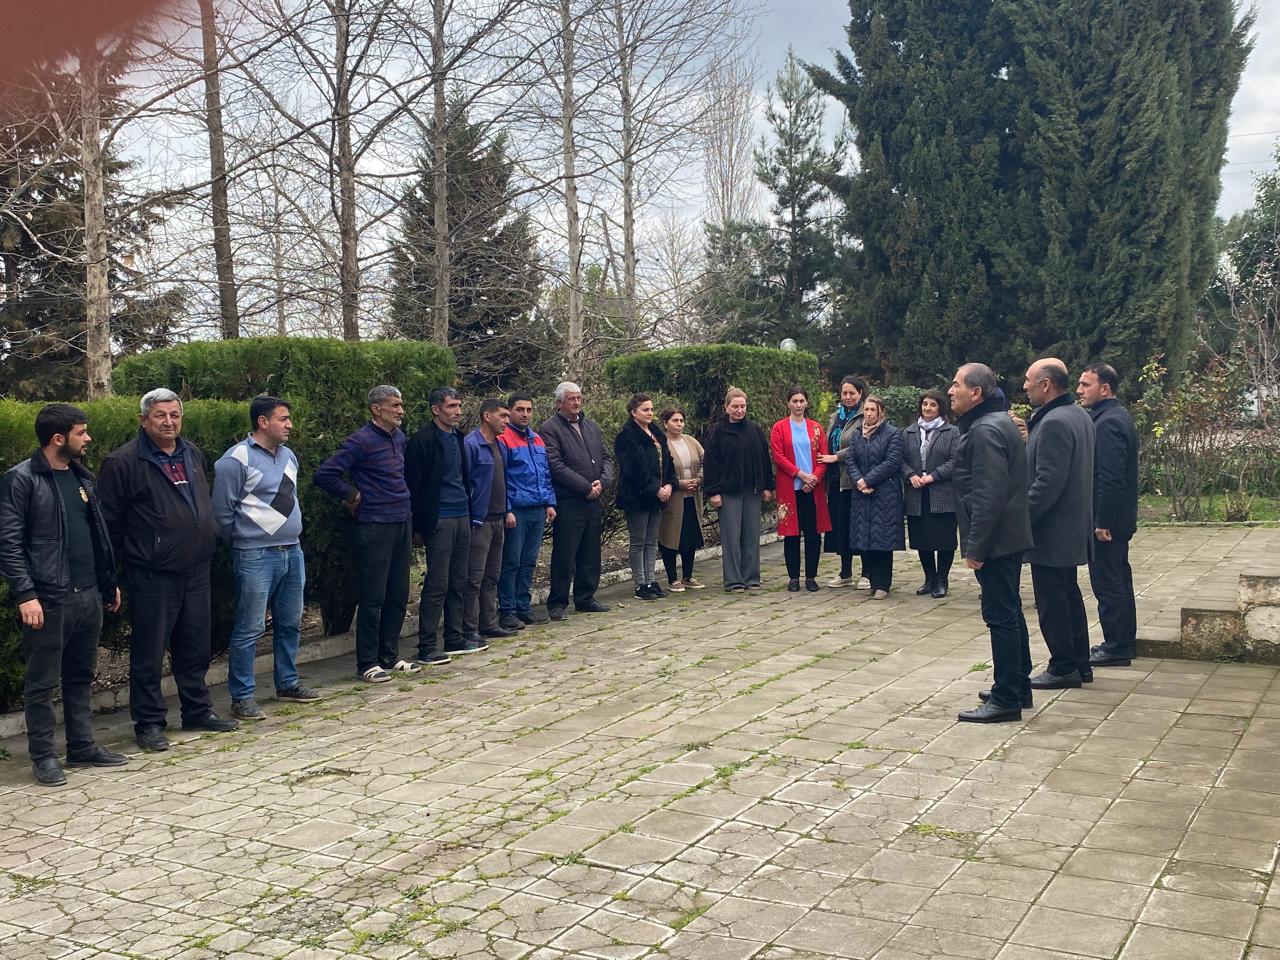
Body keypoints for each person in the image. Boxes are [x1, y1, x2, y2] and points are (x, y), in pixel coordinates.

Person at [98, 388, 239, 752]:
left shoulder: (191, 452)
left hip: (196, 568)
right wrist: (117, 570)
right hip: (152, 573)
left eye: (174, 415)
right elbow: (109, 524)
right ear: (143, 419)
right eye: (160, 415)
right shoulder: (124, 462)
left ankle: (197, 711)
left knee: (195, 646)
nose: (168, 422)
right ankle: (148, 723)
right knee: (149, 651)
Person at [0, 404, 126, 785]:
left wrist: (107, 582)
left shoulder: (82, 477)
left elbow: (97, 535)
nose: (88, 438)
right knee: (42, 682)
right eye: (80, 432)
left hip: (88, 595)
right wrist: (26, 594)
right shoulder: (21, 480)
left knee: (81, 675)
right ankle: (43, 757)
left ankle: (82, 746)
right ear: (58, 438)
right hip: (49, 598)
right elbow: (8, 544)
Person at [213, 396, 319, 723]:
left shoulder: (288, 455)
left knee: (290, 622)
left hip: (292, 550)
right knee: (250, 626)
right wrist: (245, 539)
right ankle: (242, 696)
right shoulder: (235, 460)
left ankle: (287, 683)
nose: (290, 425)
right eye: (283, 419)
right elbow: (222, 513)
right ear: (263, 422)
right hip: (255, 555)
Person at [315, 384, 420, 683]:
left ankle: (390, 655)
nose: (401, 411)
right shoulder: (361, 440)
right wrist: (352, 495)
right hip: (375, 524)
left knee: (398, 593)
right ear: (376, 409)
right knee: (374, 596)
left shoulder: (399, 437)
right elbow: (325, 474)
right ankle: (367, 663)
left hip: (402, 519)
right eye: (394, 405)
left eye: (401, 405)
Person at [949, 363, 1034, 722]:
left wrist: (976, 548)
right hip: (1007, 536)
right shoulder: (997, 423)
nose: (950, 391)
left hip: (996, 541)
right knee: (1010, 611)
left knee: (1000, 616)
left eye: (956, 384)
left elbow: (988, 495)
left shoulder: (985, 430)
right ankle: (1018, 686)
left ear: (976, 393)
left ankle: (1006, 698)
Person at [1023, 358, 1096, 690]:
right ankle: (1080, 664)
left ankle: (1063, 666)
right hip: (1071, 525)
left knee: (1053, 603)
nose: (1025, 386)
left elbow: (1046, 483)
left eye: (1029, 380)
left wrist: (1020, 518)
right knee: (1069, 597)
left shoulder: (1054, 422)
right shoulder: (1078, 415)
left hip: (1052, 530)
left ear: (1046, 384)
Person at [405, 387, 478, 660]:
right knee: (438, 582)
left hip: (462, 514)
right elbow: (415, 485)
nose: (457, 411)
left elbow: (463, 478)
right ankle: (427, 645)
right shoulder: (422, 440)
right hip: (440, 518)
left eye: (459, 406)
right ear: (436, 409)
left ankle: (454, 638)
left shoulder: (458, 437)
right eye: (451, 406)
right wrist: (420, 526)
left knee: (458, 580)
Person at [1078, 363, 1140, 668]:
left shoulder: (1108, 423)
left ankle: (1116, 646)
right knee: (1119, 580)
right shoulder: (1113, 416)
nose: (1079, 390)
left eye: (1086, 384)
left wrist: (1102, 521)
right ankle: (1123, 641)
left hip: (1108, 523)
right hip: (1115, 519)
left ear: (1105, 388)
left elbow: (1110, 477)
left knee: (1108, 582)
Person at [540, 382, 614, 620]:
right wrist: (585, 487)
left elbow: (606, 457)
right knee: (566, 552)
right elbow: (555, 465)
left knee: (590, 552)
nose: (576, 402)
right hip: (570, 500)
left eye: (579, 398)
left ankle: (585, 597)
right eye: (571, 398)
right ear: (559, 402)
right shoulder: (550, 428)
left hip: (593, 499)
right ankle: (557, 602)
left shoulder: (590, 425)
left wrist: (603, 482)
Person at [703, 387, 775, 592]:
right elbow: (710, 464)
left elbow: (764, 459)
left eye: (743, 406)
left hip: (752, 491)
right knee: (732, 538)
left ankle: (751, 577)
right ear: (727, 407)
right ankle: (733, 580)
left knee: (751, 536)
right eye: (735, 406)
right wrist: (713, 492)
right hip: (728, 492)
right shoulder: (718, 432)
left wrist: (768, 486)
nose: (739, 410)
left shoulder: (754, 430)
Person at [497, 393, 557, 630]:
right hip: (517, 510)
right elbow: (500, 477)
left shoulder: (537, 439)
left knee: (529, 562)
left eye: (529, 410)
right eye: (520, 409)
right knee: (511, 561)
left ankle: (524, 607)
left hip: (537, 509)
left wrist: (549, 503)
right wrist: (507, 509)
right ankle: (508, 610)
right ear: (510, 411)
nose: (525, 414)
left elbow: (545, 474)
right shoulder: (504, 438)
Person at [462, 399, 518, 646]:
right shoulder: (471, 444)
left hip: (498, 519)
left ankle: (489, 622)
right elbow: (466, 483)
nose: (507, 420)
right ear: (487, 416)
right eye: (502, 416)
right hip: (480, 521)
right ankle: (469, 628)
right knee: (474, 577)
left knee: (492, 575)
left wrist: (507, 509)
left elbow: (503, 481)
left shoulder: (500, 445)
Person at [614, 394, 677, 600]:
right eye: (645, 410)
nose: (650, 413)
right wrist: (654, 488)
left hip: (658, 496)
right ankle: (640, 584)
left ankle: (650, 580)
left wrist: (669, 484)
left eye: (651, 409)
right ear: (634, 412)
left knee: (651, 541)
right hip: (638, 496)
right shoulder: (626, 436)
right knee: (638, 541)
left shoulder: (657, 433)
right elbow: (632, 469)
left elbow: (667, 462)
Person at [770, 387, 831, 592]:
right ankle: (793, 577)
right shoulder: (779, 428)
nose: (798, 405)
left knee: (813, 535)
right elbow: (778, 457)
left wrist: (814, 479)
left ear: (807, 403)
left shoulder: (816, 428)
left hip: (812, 489)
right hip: (790, 489)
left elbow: (823, 456)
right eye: (794, 401)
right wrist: (800, 474)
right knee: (792, 535)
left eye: (801, 401)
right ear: (788, 403)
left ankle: (811, 577)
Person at [901, 389, 959, 598]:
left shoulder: (951, 432)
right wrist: (910, 475)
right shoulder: (909, 432)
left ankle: (942, 579)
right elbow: (900, 459)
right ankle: (929, 578)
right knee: (922, 538)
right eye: (925, 404)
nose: (928, 408)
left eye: (933, 405)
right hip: (917, 493)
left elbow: (956, 460)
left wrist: (933, 476)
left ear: (940, 408)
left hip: (942, 492)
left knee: (944, 539)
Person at [846, 396, 904, 598]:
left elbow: (892, 462)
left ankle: (883, 584)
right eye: (867, 410)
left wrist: (868, 480)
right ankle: (871, 579)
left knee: (883, 540)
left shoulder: (892, 433)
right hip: (862, 494)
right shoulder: (857, 434)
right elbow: (851, 460)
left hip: (884, 494)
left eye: (873, 410)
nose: (869, 414)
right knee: (865, 539)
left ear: (881, 412)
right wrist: (859, 481)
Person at [819, 376, 867, 588]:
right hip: (836, 480)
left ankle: (867, 572)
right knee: (841, 526)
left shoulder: (865, 415)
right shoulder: (835, 417)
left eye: (852, 393)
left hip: (855, 479)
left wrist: (836, 457)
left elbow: (862, 443)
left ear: (860, 393)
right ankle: (845, 571)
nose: (848, 397)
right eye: (844, 393)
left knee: (860, 526)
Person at [659, 408, 705, 592]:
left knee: (690, 536)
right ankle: (672, 579)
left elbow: (705, 461)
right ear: (665, 423)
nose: (679, 424)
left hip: (692, 497)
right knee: (670, 536)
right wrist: (678, 483)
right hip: (673, 498)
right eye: (674, 420)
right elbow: (660, 470)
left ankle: (688, 576)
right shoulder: (661, 444)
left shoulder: (691, 441)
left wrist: (699, 479)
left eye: (681, 421)